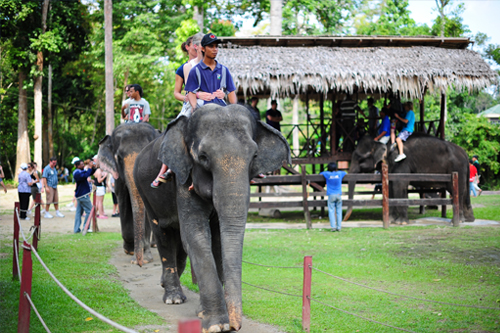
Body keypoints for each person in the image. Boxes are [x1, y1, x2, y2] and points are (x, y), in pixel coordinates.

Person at [185, 33, 237, 110]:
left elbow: (231, 92)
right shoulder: (195, 70)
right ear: (203, 49)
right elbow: (191, 93)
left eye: (216, 46)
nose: (215, 49)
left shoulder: (224, 70)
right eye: (211, 46)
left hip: (221, 105)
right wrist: (194, 108)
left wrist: (234, 109)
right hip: (201, 106)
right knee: (185, 118)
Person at [321, 162, 347, 232]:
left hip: (331, 195)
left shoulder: (327, 174)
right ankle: (339, 227)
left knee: (331, 211)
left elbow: (321, 173)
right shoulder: (340, 173)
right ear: (336, 168)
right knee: (339, 211)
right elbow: (345, 173)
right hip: (338, 194)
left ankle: (333, 227)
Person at [73, 159, 97, 233]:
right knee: (90, 211)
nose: (83, 165)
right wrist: (89, 167)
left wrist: (93, 167)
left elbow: (88, 173)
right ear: (77, 166)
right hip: (83, 196)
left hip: (80, 196)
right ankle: (86, 227)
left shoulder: (80, 171)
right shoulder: (77, 173)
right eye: (81, 164)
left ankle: (76, 229)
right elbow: (86, 175)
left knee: (78, 213)